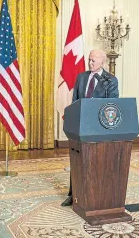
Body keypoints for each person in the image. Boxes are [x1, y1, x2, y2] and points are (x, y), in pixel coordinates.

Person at [61, 49, 119, 206]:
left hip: (98, 128)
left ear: (102, 62)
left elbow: (112, 105)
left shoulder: (110, 80)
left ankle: (96, 195)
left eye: (93, 60)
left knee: (96, 162)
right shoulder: (82, 77)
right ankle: (73, 195)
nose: (90, 63)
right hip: (80, 125)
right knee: (77, 159)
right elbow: (75, 100)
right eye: (89, 60)